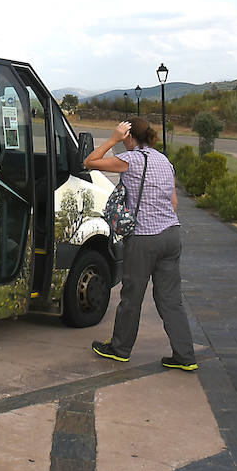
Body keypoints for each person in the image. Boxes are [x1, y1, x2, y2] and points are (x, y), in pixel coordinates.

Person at [83, 118, 197, 371]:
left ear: (130, 137)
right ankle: (185, 355)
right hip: (171, 234)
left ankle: (120, 349)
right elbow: (174, 203)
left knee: (131, 296)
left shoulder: (132, 159)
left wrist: (112, 139)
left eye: (125, 138)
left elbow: (89, 162)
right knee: (170, 298)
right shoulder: (164, 161)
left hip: (144, 238)